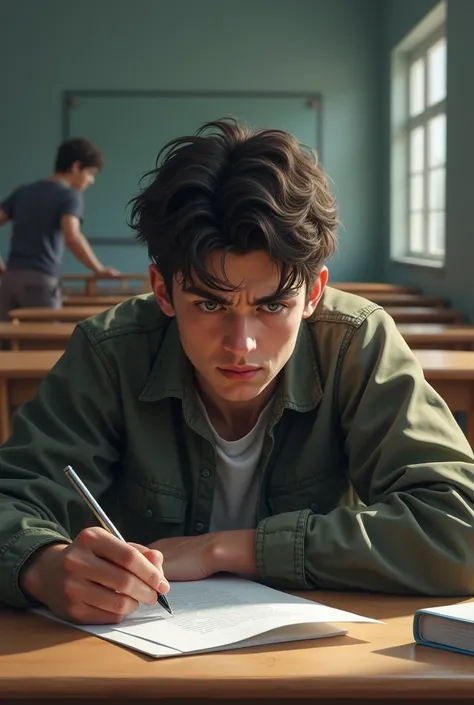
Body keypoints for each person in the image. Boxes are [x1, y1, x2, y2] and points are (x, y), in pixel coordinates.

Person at [0, 117, 474, 627]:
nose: (241, 344)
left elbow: (461, 530)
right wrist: (40, 566)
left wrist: (225, 550)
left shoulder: (355, 341)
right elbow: (11, 499)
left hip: (318, 666)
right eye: (209, 304)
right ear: (162, 290)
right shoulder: (111, 351)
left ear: (313, 293)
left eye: (273, 307)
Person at [0, 137, 120, 319]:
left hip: (9, 281)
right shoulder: (69, 196)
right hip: (39, 283)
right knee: (43, 343)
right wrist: (98, 269)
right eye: (90, 173)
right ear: (76, 167)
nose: (91, 181)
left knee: (5, 344)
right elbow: (72, 235)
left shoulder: (23, 191)